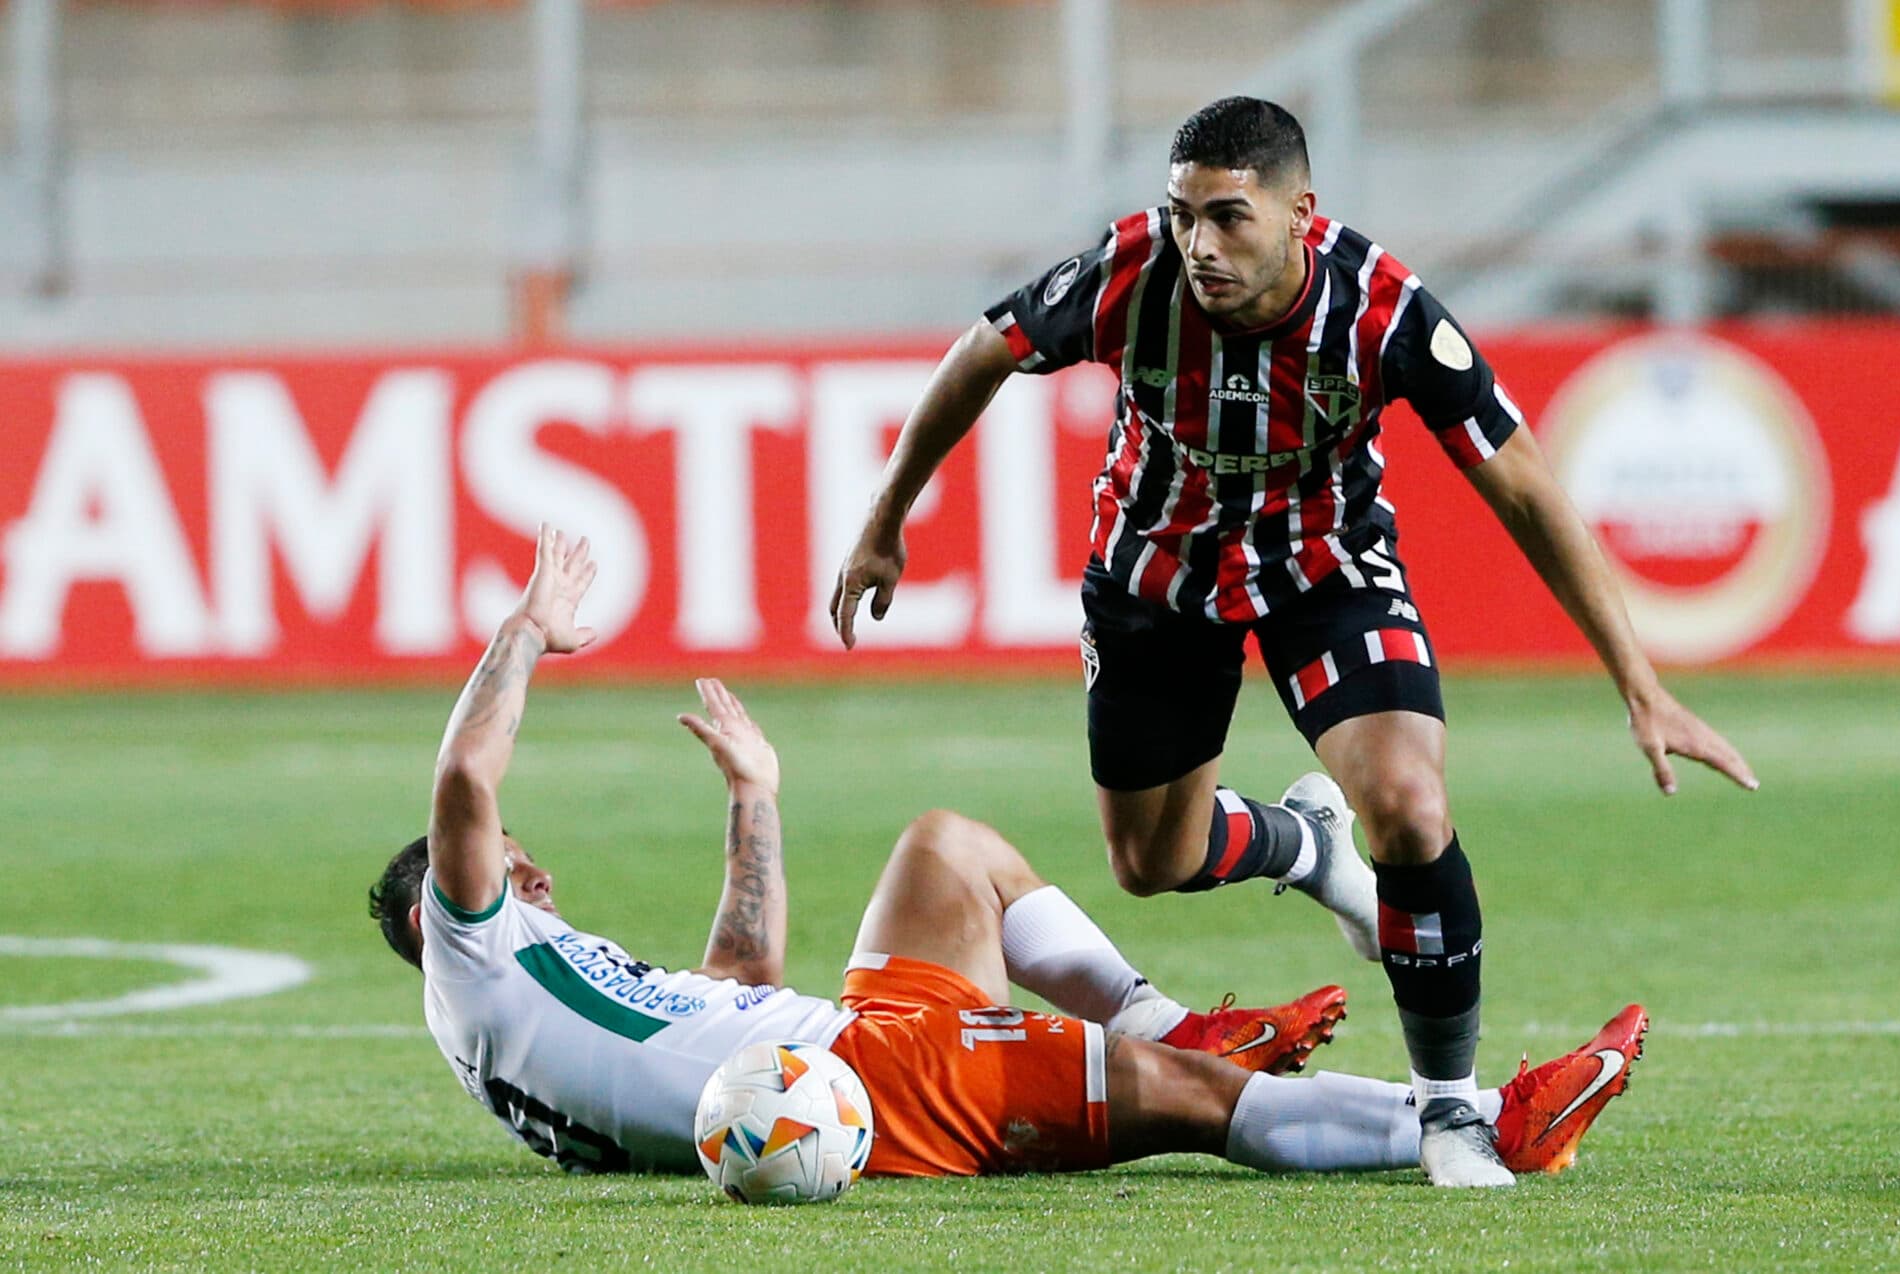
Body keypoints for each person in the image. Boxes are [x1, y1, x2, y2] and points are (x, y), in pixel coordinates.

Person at [830, 96, 1744, 1186]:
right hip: (1157, 576)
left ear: (1300, 213)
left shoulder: (1383, 312)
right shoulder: (1131, 276)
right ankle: (1302, 846)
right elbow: (983, 350)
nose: (1199, 245)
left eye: (1229, 216)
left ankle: (1450, 1109)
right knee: (1150, 864)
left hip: (1324, 571)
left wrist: (1640, 684)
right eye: (1183, 215)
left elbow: (1525, 486)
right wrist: (885, 519)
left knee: (1408, 803)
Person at [370, 524, 1645, 1182]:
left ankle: (1170, 1016)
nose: (530, 875)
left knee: (947, 847)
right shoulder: (477, 960)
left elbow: (740, 982)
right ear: (439, 911)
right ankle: (1486, 1120)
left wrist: (755, 797)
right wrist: (525, 629)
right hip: (876, 1087)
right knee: (1197, 1104)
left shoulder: (520, 1007)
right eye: (504, 869)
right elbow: (466, 777)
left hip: (832, 1053)